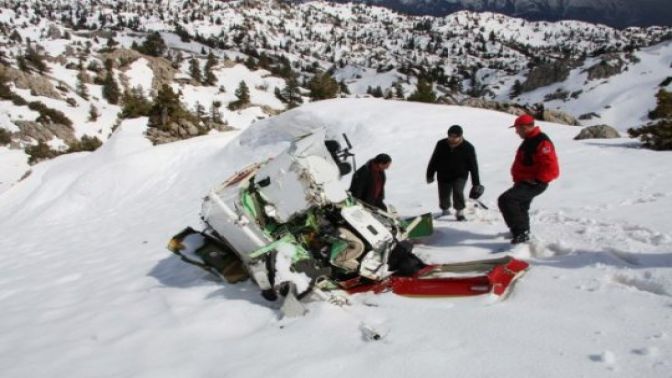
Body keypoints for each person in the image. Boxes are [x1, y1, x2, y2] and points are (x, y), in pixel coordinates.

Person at [498, 114, 559, 244]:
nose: (516, 132)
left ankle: (520, 233)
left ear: (525, 127)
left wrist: (538, 180)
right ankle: (522, 233)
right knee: (520, 206)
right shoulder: (531, 139)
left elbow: (551, 166)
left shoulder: (541, 141)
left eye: (518, 129)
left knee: (507, 200)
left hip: (534, 182)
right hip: (524, 181)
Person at [426, 125, 481, 221]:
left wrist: (476, 183)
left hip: (460, 175)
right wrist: (430, 174)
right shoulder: (441, 144)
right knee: (444, 195)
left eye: (455, 137)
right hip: (443, 174)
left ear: (460, 136)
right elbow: (434, 159)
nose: (452, 139)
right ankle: (445, 209)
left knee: (458, 191)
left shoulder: (468, 147)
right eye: (450, 136)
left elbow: (473, 166)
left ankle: (459, 212)